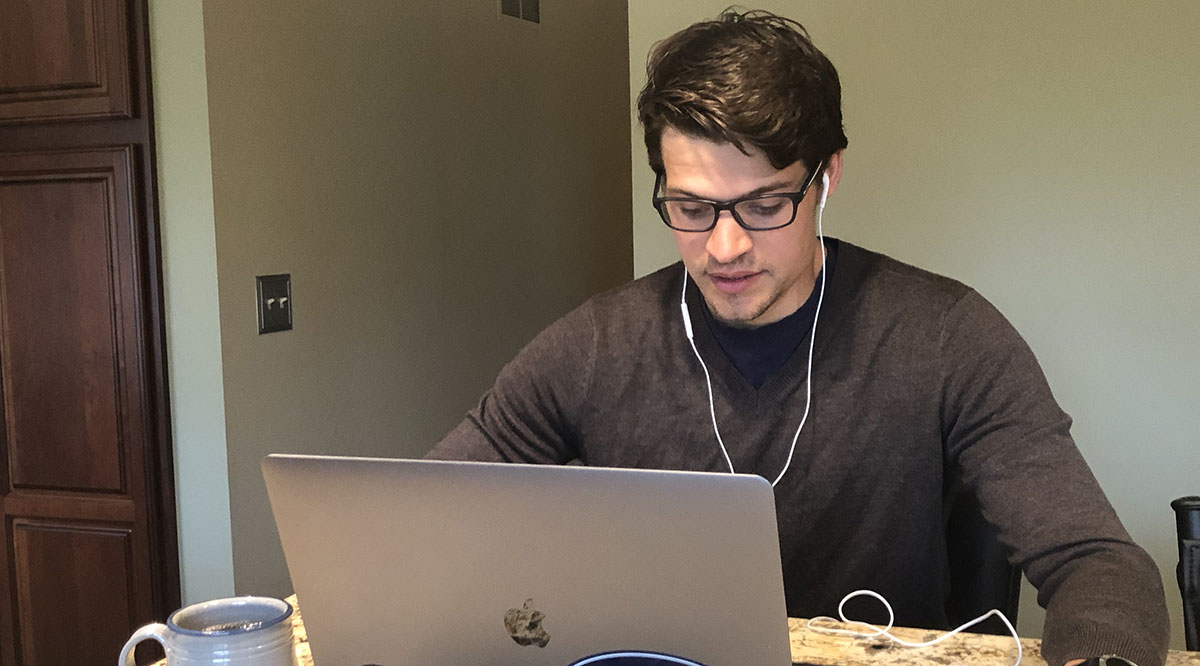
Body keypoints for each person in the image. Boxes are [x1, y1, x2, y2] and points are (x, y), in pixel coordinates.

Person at [428, 9, 1169, 666]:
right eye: (690, 207)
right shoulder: (595, 345)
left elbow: (1096, 562)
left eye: (763, 204)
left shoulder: (947, 336)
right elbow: (430, 518)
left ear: (827, 176)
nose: (723, 248)